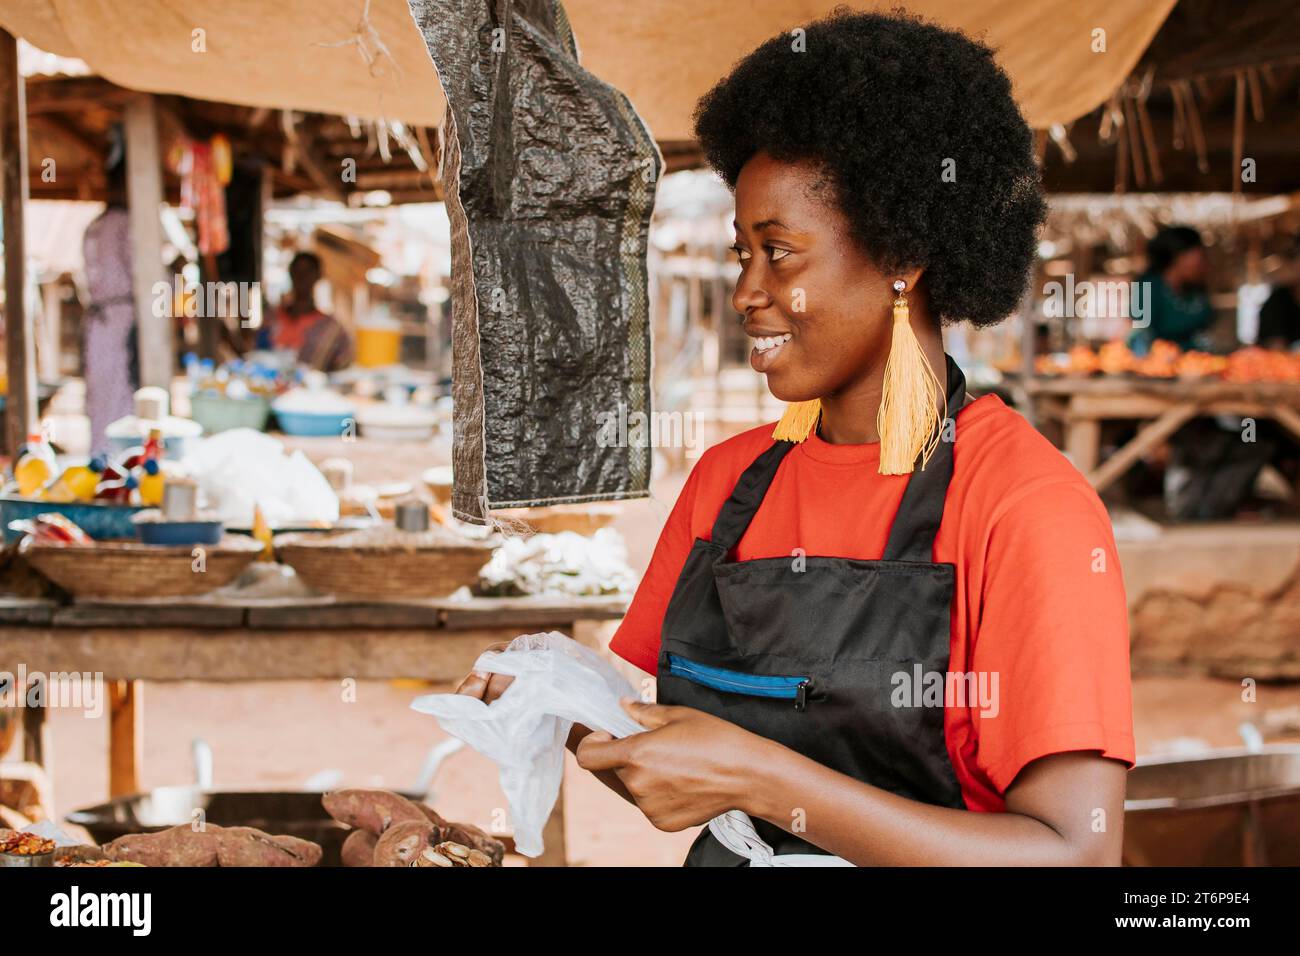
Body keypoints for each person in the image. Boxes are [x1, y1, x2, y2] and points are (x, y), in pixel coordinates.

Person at [458, 11, 1134, 866]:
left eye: (779, 253)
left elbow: (1076, 856)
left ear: (902, 256)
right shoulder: (726, 485)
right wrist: (566, 699)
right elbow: (680, 766)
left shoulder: (1025, 509)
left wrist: (764, 777)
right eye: (741, 252)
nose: (746, 291)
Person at [81, 134, 138, 455]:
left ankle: (101, 459)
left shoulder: (95, 225)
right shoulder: (126, 225)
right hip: (120, 321)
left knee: (103, 396)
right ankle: (115, 462)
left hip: (101, 324)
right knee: (121, 396)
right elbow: (146, 276)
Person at [256, 251, 353, 371]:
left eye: (308, 272)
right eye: (297, 271)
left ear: (318, 276)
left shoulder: (332, 329)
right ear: (291, 274)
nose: (301, 277)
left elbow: (343, 367)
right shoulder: (271, 319)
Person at [1128, 225, 1214, 353]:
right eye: (1200, 258)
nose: (1204, 263)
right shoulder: (1148, 289)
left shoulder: (1195, 290)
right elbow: (1138, 340)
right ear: (1179, 257)